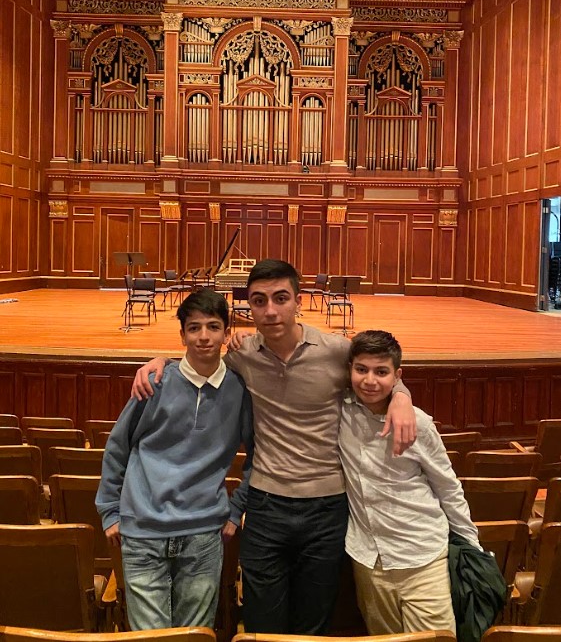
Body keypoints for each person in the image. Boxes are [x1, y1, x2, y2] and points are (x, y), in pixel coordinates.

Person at [131, 259, 416, 634]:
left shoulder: (335, 350)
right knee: (261, 624)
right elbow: (199, 358)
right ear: (248, 305)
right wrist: (160, 362)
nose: (270, 310)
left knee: (313, 624)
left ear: (298, 300)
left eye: (280, 298)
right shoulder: (243, 353)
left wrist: (401, 395)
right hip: (266, 506)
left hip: (327, 506)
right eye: (259, 301)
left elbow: (377, 371)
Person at [96, 288, 253, 631]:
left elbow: (258, 456)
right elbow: (119, 446)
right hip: (143, 533)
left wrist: (236, 509)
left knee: (194, 635)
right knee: (150, 638)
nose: (203, 337)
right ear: (182, 335)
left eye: (213, 327)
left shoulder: (240, 390)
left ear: (226, 333)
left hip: (203, 535)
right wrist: (109, 510)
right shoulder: (154, 382)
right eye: (194, 328)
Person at [340, 329, 480, 636]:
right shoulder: (340, 413)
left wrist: (473, 549)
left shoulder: (418, 423)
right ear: (350, 369)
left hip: (422, 557)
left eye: (381, 372)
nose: (370, 380)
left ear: (397, 375)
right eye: (361, 369)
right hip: (368, 561)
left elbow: (448, 487)